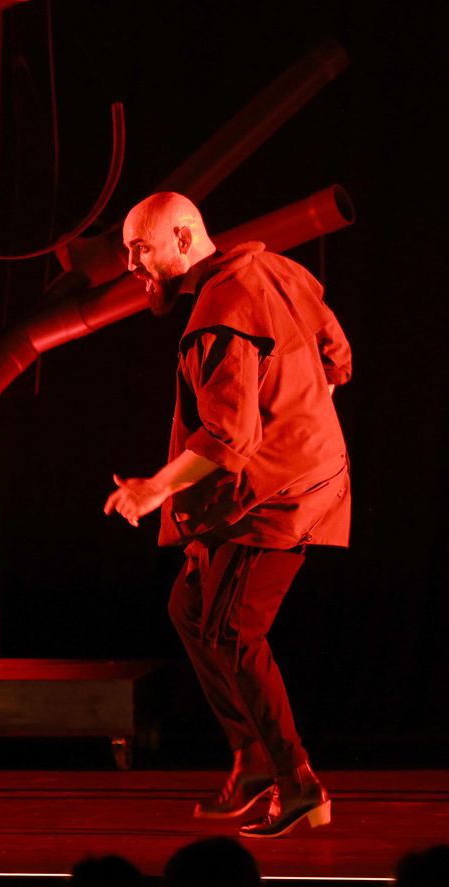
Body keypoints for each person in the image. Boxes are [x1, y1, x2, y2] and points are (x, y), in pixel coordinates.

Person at [104, 192, 351, 838]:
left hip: (279, 494)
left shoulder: (221, 310)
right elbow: (338, 355)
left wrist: (154, 489)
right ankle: (253, 761)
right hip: (280, 477)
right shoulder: (276, 270)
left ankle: (300, 783)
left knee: (232, 632)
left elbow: (226, 439)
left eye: (141, 250)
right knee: (189, 609)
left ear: (185, 240)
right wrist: (303, 406)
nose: (133, 266)